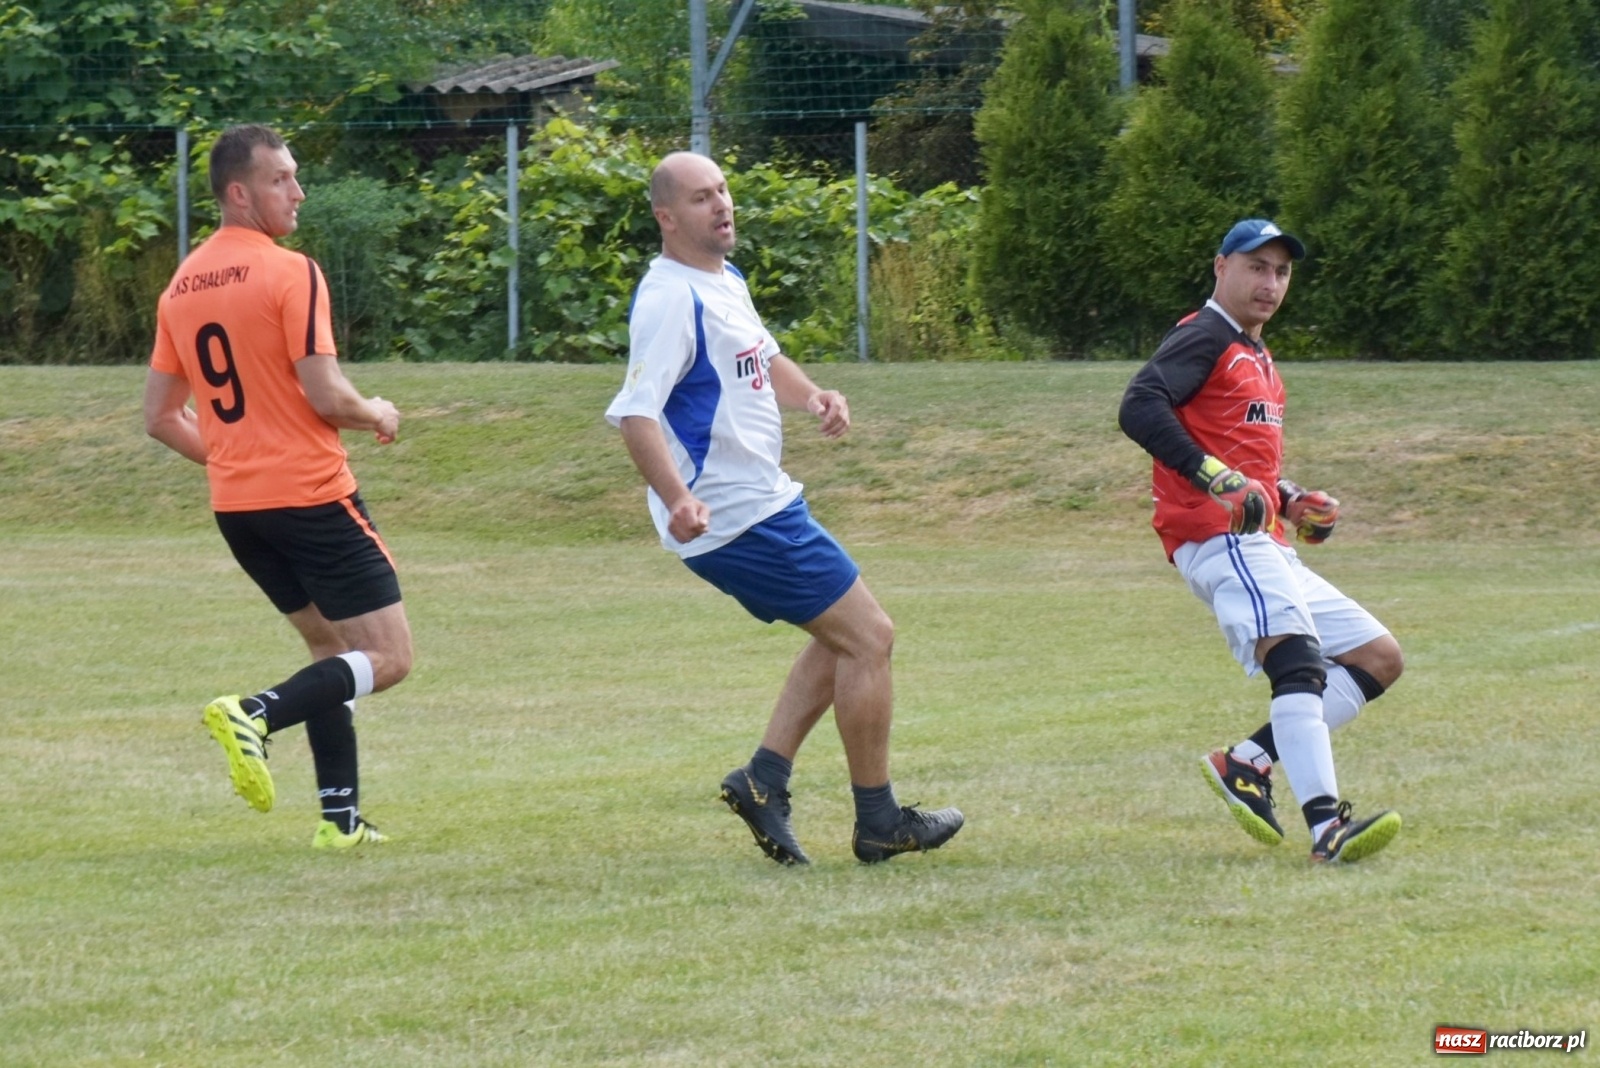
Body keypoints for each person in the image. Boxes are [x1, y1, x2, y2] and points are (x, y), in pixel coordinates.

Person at [606, 151, 963, 866]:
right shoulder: (671, 297)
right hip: (734, 514)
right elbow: (635, 413)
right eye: (703, 198)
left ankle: (763, 781)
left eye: (724, 191)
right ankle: (878, 820)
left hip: (761, 501)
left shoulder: (722, 280)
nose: (722, 205)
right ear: (666, 217)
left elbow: (763, 359)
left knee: (843, 635)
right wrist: (678, 499)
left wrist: (814, 397)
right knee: (869, 638)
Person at [144, 123, 411, 850]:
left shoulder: (180, 288)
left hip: (241, 510)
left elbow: (161, 418)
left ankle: (341, 822)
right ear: (239, 193)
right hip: (311, 495)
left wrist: (234, 459)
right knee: (389, 658)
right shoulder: (291, 270)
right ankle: (254, 713)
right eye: (280, 180)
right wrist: (377, 412)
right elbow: (326, 396)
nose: (297, 191)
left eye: (295, 176)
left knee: (333, 655)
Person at [1118, 218, 1405, 863]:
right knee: (1298, 665)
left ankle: (1246, 762)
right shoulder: (1206, 334)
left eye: (1281, 271)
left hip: (1265, 538)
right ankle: (1327, 828)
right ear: (1220, 266)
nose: (1269, 282)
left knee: (1377, 655)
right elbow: (1140, 404)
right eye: (1256, 266)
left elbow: (1248, 461)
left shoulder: (1257, 356)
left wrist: (1294, 499)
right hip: (1219, 536)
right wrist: (1214, 476)